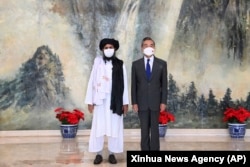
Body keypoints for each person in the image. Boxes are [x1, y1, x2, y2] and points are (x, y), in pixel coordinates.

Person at [85, 38, 129, 164]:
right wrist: (90, 100)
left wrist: (125, 102)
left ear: (114, 49)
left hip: (115, 100)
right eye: (106, 48)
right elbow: (92, 81)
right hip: (100, 100)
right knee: (99, 126)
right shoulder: (97, 63)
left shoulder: (120, 64)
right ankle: (98, 153)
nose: (108, 50)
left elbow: (124, 84)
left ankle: (112, 153)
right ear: (102, 50)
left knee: (114, 126)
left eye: (111, 47)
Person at [131, 37, 168, 151]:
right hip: (141, 103)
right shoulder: (136, 64)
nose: (149, 47)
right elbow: (133, 85)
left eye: (151, 45)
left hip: (155, 102)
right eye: (146, 45)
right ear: (142, 48)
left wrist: (163, 102)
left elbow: (164, 85)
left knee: (155, 130)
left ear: (154, 48)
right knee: (144, 130)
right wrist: (134, 102)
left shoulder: (161, 64)